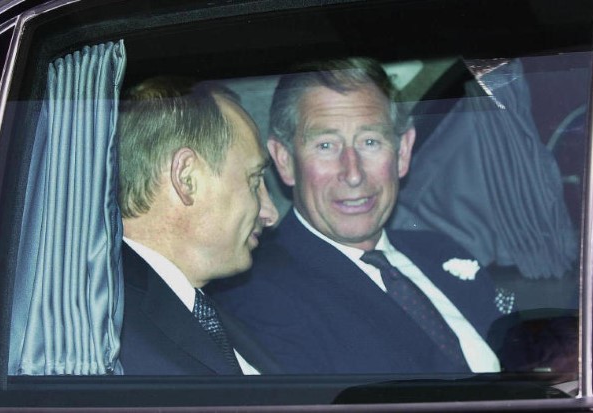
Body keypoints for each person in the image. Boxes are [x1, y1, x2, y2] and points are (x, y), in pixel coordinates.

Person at [208, 58, 503, 374]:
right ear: (284, 160)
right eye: (326, 145)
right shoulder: (256, 294)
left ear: (402, 152)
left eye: (370, 142)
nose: (353, 173)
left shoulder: (441, 250)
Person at [116, 76, 281, 375]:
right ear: (187, 178)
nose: (270, 214)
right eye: (254, 179)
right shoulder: (106, 330)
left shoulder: (202, 313)